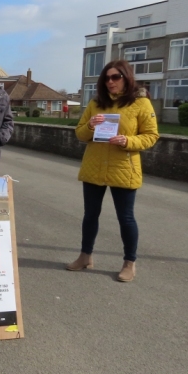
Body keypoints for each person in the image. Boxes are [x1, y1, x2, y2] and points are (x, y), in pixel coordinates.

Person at [67, 60, 159, 282]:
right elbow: (80, 134)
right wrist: (90, 126)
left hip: (123, 169)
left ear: (126, 78)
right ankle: (85, 256)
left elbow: (151, 136)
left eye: (115, 77)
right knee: (90, 215)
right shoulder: (96, 103)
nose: (110, 82)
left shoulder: (141, 103)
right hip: (94, 166)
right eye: (107, 78)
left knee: (126, 218)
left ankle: (129, 263)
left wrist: (127, 140)